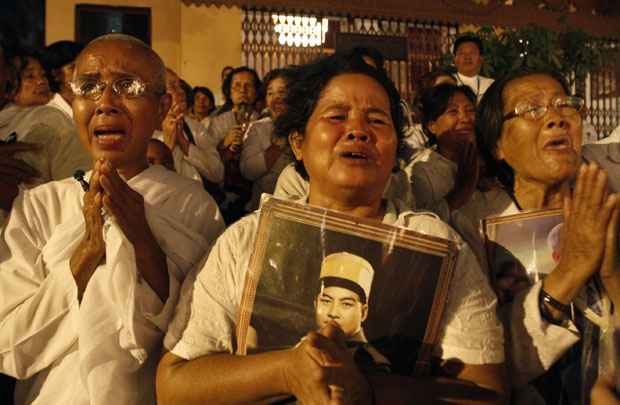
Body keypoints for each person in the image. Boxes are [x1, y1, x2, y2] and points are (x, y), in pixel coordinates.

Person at [157, 53, 505, 404]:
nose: (358, 131)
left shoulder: (436, 245)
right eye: (336, 117)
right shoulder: (246, 240)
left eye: (377, 121)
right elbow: (174, 385)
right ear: (297, 143)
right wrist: (284, 370)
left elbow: (487, 393)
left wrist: (368, 391)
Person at [0, 33, 225, 405]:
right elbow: (9, 344)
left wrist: (142, 238)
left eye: (128, 86)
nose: (105, 103)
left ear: (161, 106)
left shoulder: (194, 205)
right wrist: (87, 252)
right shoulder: (40, 205)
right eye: (89, 87)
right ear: (72, 102)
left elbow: (201, 337)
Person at [477, 69, 620, 405]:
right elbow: (488, 368)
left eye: (565, 105)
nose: (556, 118)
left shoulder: (610, 198)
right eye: (533, 109)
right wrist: (571, 270)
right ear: (498, 144)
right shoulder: (475, 226)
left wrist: (612, 273)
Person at [0, 44, 91, 218]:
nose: (41, 82)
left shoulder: (49, 122)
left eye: (42, 75)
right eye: (29, 77)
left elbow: (80, 198)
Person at [409, 83, 512, 227]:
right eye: (453, 112)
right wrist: (460, 193)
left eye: (470, 110)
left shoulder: (495, 157)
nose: (465, 119)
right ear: (432, 126)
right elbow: (419, 227)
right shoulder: (421, 172)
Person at [315, 252, 391, 375]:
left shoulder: (375, 365)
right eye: (326, 301)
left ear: (363, 312)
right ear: (315, 304)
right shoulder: (303, 348)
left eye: (346, 304)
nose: (333, 313)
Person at [207, 66, 262, 222]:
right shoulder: (218, 122)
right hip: (225, 197)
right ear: (229, 92)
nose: (242, 90)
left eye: (248, 85)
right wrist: (225, 143)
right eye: (237, 86)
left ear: (256, 92)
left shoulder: (263, 122)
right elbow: (208, 163)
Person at [154, 68, 223, 186]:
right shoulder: (142, 131)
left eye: (180, 86)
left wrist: (184, 143)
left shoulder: (193, 127)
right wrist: (168, 145)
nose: (181, 92)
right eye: (173, 87)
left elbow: (218, 174)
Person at [240, 68, 295, 211]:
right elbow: (248, 171)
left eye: (282, 92)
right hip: (262, 209)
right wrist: (276, 147)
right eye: (270, 93)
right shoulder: (258, 128)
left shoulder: (306, 128)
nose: (276, 98)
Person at [44, 41, 84, 118]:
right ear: (56, 74)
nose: (81, 72)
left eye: (83, 65)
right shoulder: (50, 113)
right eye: (73, 67)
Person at [453, 34, 494, 102]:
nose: (467, 57)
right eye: (462, 53)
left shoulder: (491, 85)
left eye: (472, 53)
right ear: (454, 59)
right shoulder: (447, 82)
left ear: (481, 59)